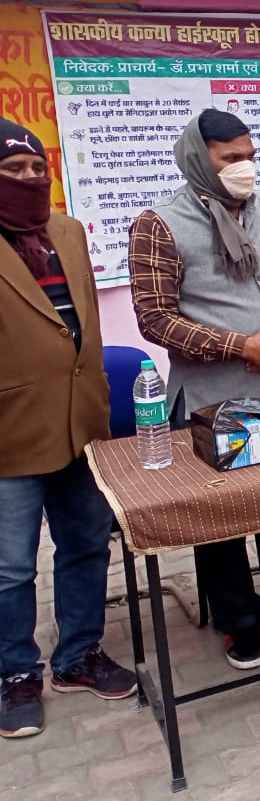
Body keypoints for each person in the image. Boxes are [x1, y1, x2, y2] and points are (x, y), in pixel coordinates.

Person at [129, 109, 260, 668]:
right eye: (230, 159)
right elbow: (155, 319)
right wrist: (242, 347)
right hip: (213, 403)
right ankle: (237, 619)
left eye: (249, 155)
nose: (244, 168)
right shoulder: (159, 224)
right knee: (222, 515)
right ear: (201, 161)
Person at [0, 119, 136, 739]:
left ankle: (77, 653)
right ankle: (13, 673)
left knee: (85, 544)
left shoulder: (67, 231)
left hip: (82, 421)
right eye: (13, 170)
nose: (30, 179)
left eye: (36, 168)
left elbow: (84, 325)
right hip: (11, 429)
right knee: (10, 566)